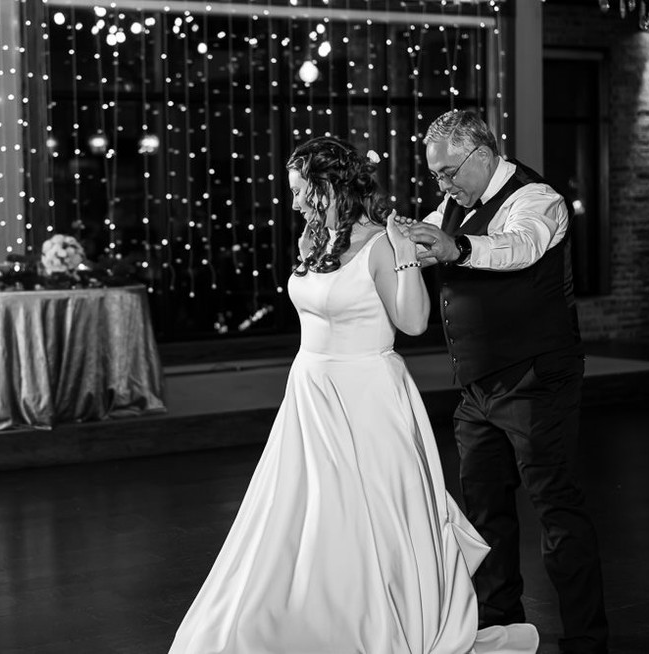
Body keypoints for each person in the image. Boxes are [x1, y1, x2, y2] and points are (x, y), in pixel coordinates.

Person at [169, 136, 538, 654]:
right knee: (310, 513)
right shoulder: (312, 239)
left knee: (375, 516)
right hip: (311, 391)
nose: (294, 203)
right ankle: (318, 617)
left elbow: (412, 323)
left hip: (367, 395)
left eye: (301, 191)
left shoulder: (382, 244)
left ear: (328, 187)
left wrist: (407, 254)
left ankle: (386, 618)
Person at [405, 109, 609, 654]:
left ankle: (588, 641)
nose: (442, 185)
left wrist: (457, 248)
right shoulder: (453, 203)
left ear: (483, 154)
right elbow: (418, 243)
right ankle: (502, 629)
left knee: (556, 510)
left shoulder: (536, 198)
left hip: (536, 377)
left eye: (449, 172)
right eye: (436, 176)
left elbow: (520, 247)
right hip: (477, 388)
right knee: (486, 514)